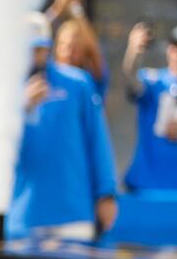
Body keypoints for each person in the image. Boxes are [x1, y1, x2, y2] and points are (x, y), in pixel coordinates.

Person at [7, 14, 118, 241]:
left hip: (73, 213)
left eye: (40, 49)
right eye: (29, 49)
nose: (35, 56)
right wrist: (21, 107)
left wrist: (106, 193)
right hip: (25, 215)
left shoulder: (77, 83)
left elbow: (97, 139)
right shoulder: (5, 89)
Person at [120, 22, 177, 192]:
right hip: (149, 188)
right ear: (169, 50)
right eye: (176, 47)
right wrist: (133, 52)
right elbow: (132, 81)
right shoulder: (155, 81)